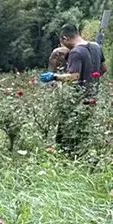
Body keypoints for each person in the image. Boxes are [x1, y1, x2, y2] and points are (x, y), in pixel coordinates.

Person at [40, 24, 105, 154]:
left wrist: (54, 76)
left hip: (75, 101)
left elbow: (74, 76)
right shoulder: (96, 47)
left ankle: (66, 160)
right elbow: (103, 69)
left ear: (65, 38)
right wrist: (90, 79)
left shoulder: (75, 52)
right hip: (92, 98)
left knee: (66, 139)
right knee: (85, 134)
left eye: (62, 43)